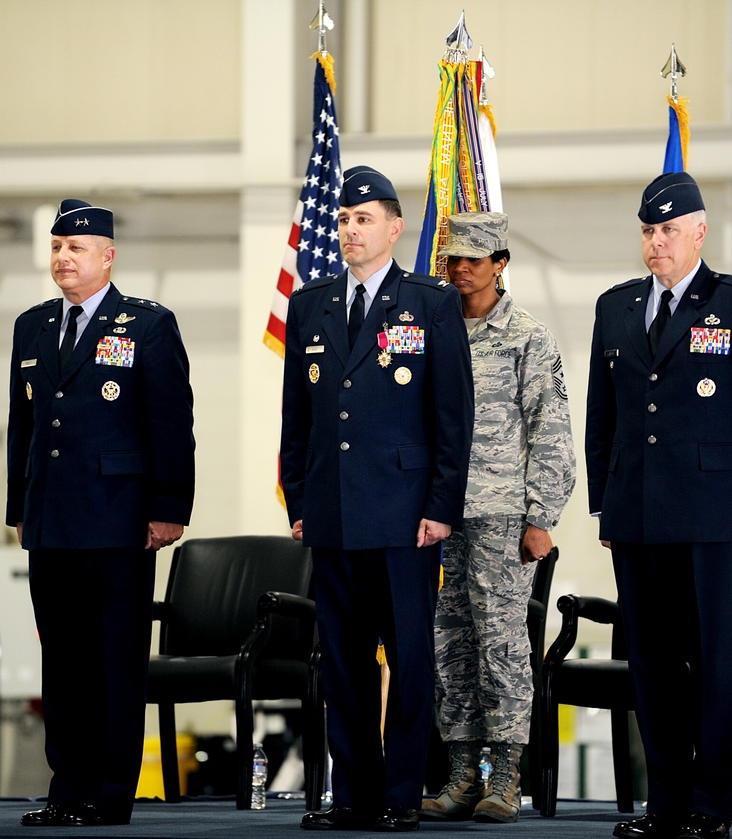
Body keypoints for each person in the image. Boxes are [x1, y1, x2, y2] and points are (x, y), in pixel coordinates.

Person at [585, 173, 732, 839]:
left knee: (710, 666)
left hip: (711, 516)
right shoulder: (615, 307)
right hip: (637, 515)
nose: (656, 242)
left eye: (668, 229)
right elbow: (603, 416)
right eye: (648, 230)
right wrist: (605, 503)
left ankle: (710, 805)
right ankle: (665, 803)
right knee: (651, 664)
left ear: (698, 232)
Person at [280, 166, 474, 832]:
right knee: (343, 662)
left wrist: (442, 504)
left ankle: (399, 794)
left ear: (395, 227)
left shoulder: (431, 303)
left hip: (405, 517)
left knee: (411, 660)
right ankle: (353, 794)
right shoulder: (311, 304)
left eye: (363, 218)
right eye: (342, 219)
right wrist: (298, 502)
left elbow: (453, 416)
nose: (350, 229)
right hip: (331, 514)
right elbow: (296, 419)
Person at [6, 199, 196, 827]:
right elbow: (23, 429)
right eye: (57, 246)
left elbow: (171, 424)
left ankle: (109, 793)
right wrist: (19, 509)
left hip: (120, 519)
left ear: (107, 256)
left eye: (77, 248)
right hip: (52, 520)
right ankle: (68, 789)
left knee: (114, 661)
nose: (64, 257)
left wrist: (169, 508)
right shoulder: (32, 327)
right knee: (62, 662)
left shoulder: (146, 325)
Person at [419, 212, 576, 824]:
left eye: (473, 261)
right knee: (449, 642)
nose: (460, 270)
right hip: (437, 517)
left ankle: (505, 774)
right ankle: (460, 772)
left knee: (502, 644)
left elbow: (552, 432)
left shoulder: (527, 337)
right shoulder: (431, 329)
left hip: (501, 515)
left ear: (500, 264)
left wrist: (541, 516)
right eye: (452, 260)